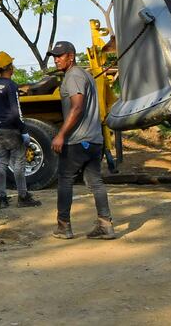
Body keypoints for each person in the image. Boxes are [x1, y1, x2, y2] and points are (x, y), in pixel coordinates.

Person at [48, 41, 114, 240]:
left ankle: (63, 226)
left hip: (77, 141)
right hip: (94, 139)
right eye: (54, 56)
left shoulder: (74, 76)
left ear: (71, 56)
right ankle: (105, 225)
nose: (56, 59)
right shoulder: (85, 74)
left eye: (60, 55)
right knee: (95, 182)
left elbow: (77, 107)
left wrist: (61, 134)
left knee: (65, 181)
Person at [0, 52, 41, 209]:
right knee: (19, 163)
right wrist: (23, 130)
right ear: (9, 67)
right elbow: (15, 111)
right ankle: (23, 196)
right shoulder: (11, 86)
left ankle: (2, 198)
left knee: (1, 163)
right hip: (12, 130)